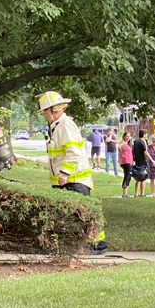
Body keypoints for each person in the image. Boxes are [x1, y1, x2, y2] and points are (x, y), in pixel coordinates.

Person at [38, 91, 107, 255]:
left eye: (45, 112)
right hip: (65, 181)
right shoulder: (57, 126)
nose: (44, 116)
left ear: (54, 110)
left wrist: (63, 174)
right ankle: (56, 246)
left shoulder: (65, 125)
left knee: (84, 216)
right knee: (61, 216)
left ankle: (98, 245)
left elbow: (73, 152)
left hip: (74, 181)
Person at [132, 129, 154, 197]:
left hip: (137, 161)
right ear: (143, 135)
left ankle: (136, 193)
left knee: (138, 177)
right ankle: (142, 193)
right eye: (146, 134)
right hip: (143, 161)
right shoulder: (143, 141)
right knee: (143, 177)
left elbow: (133, 151)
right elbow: (145, 152)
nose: (147, 136)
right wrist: (151, 160)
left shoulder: (136, 141)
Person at [118, 131, 133, 197]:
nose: (128, 138)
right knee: (127, 176)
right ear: (123, 136)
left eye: (129, 136)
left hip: (128, 161)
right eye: (126, 136)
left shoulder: (127, 143)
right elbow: (119, 147)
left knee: (128, 176)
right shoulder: (123, 143)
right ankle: (124, 193)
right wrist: (121, 154)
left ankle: (126, 192)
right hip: (125, 161)